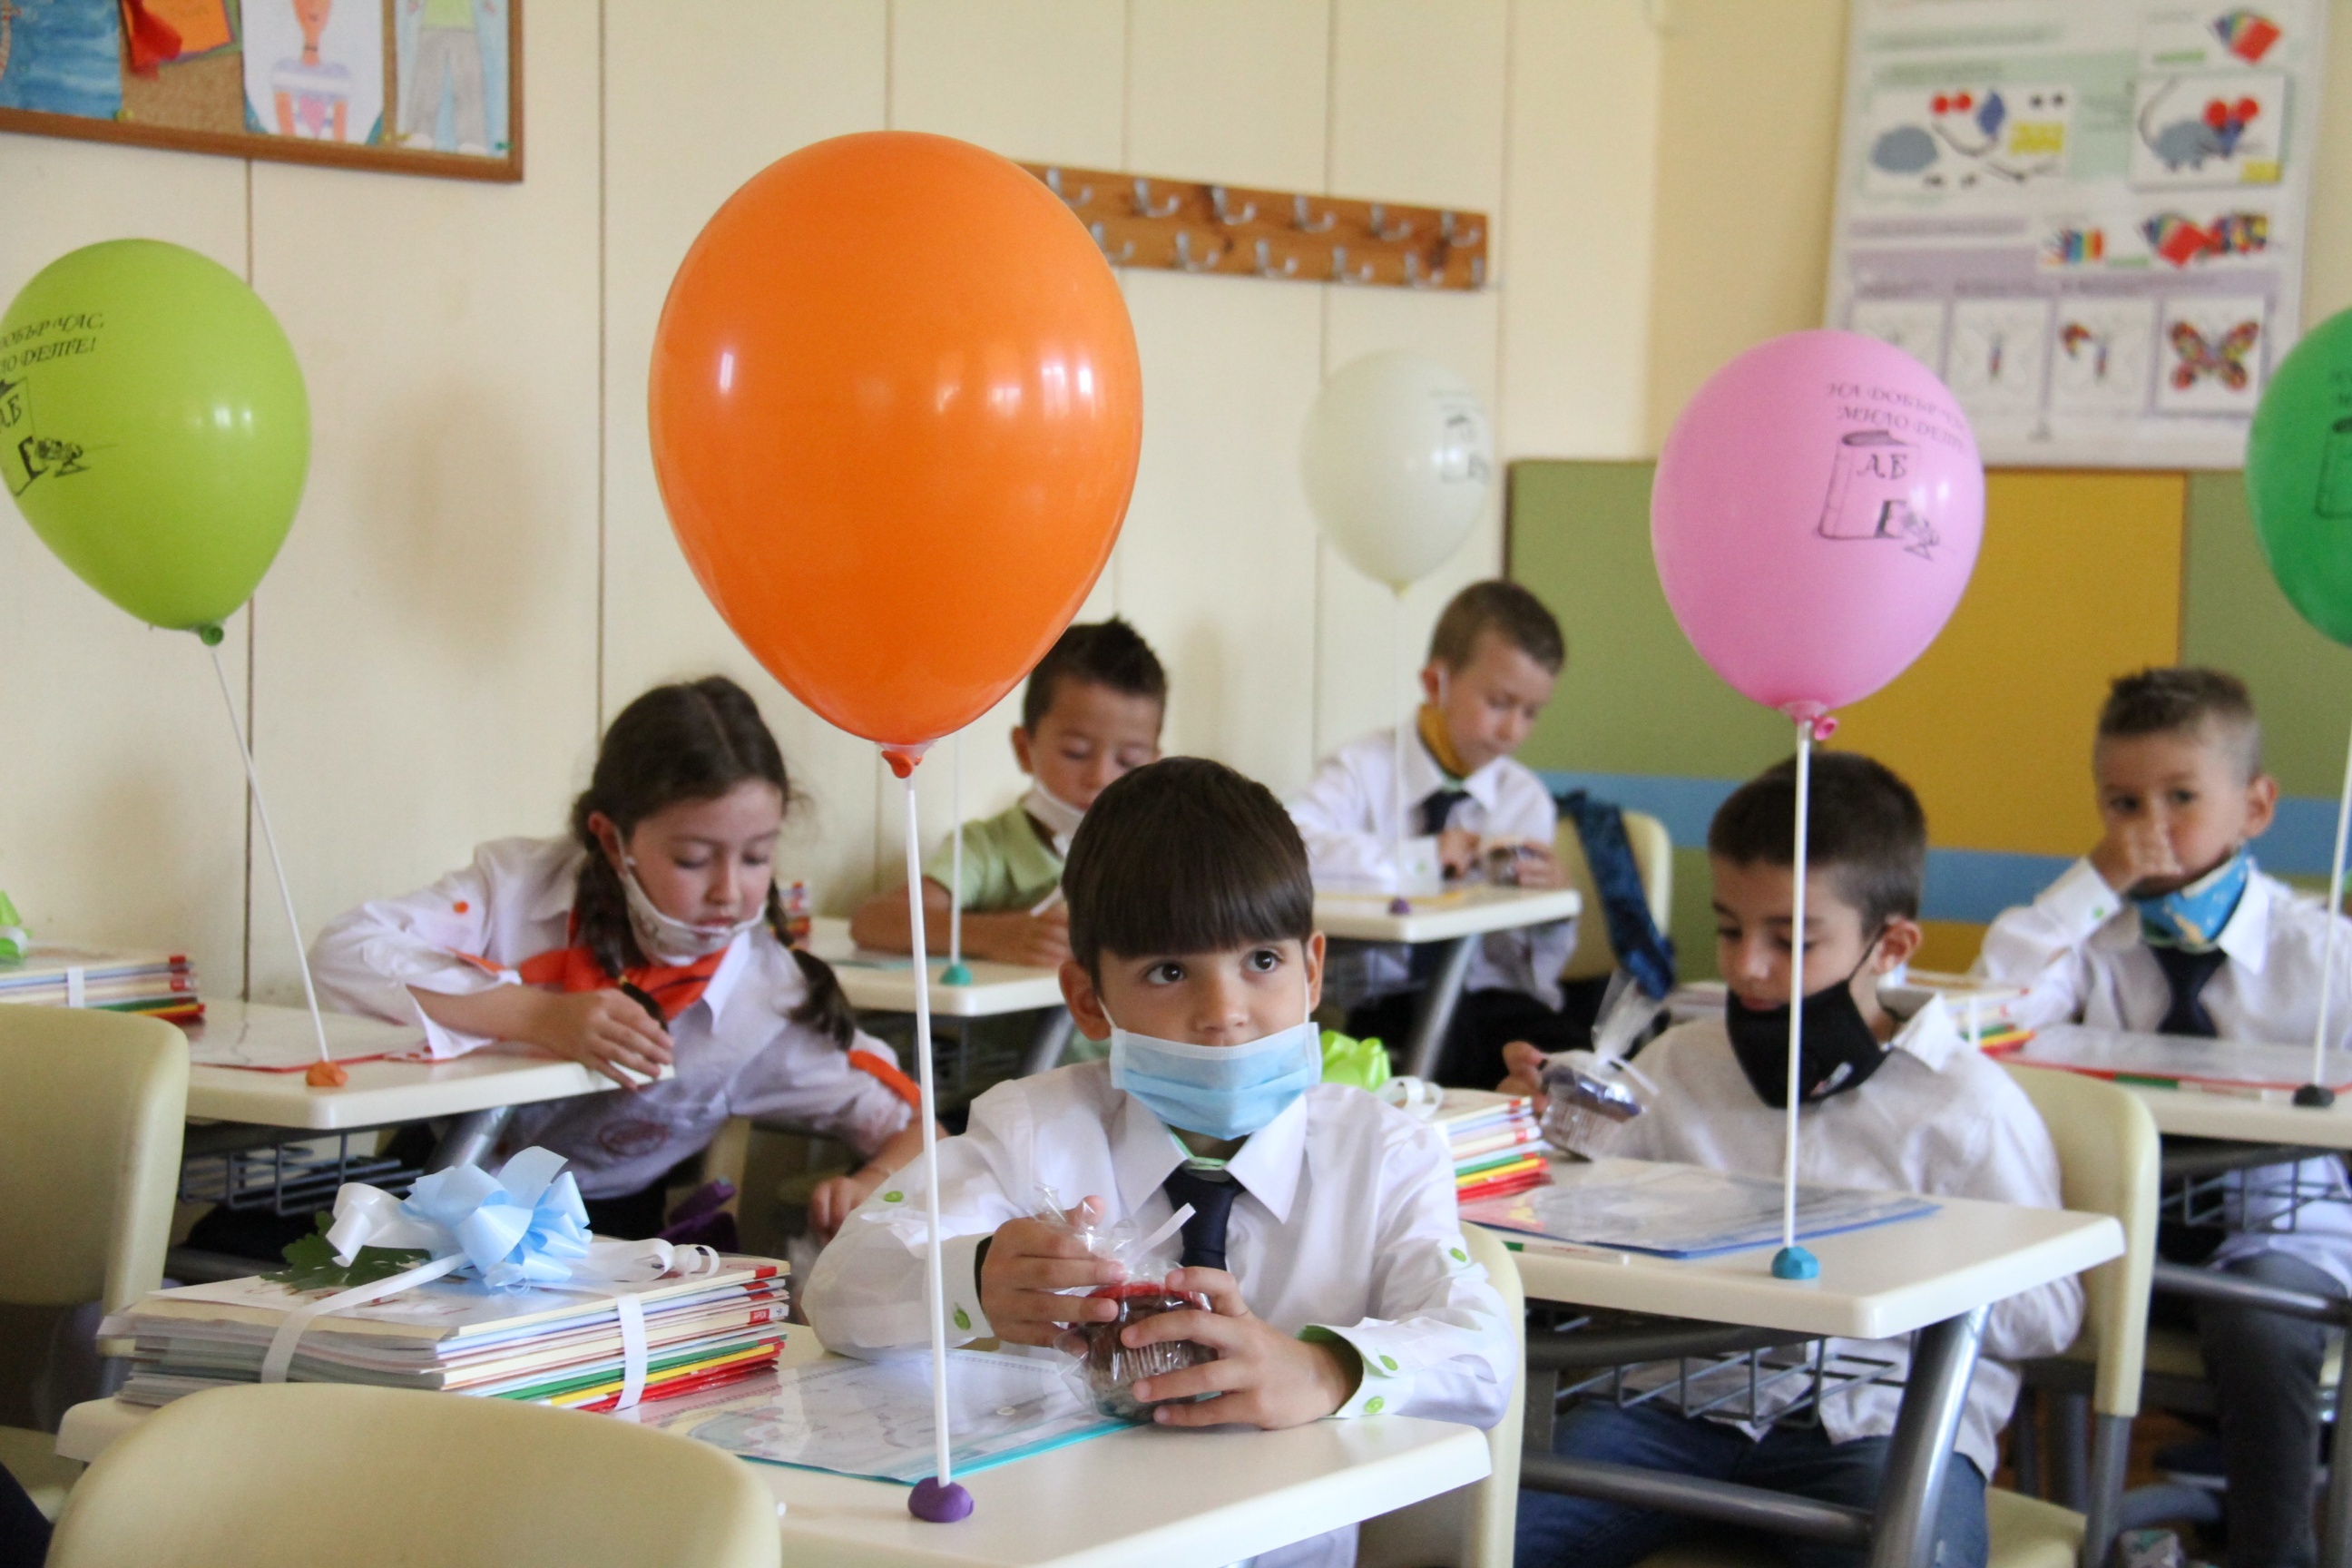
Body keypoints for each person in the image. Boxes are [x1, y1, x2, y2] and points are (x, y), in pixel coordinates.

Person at [807, 758, 1514, 1568]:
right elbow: (840, 1289)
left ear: (1313, 969)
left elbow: (1483, 1351)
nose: (1224, 1013)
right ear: (1086, 1000)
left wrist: (1325, 1370)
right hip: (1068, 1547)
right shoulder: (1036, 1134)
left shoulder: (1384, 1156)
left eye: (1263, 961)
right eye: (1169, 973)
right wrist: (973, 1280)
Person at [1504, 752, 2080, 1568]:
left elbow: (2052, 1313)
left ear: (1890, 944)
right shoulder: (1679, 1065)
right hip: (1673, 1404)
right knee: (1488, 1537)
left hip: (1880, 1423)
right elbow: (1570, 1217)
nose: (1747, 966)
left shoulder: (1968, 1110)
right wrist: (1538, 1135)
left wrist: (1901, 1259)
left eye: (1792, 940)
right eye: (1730, 929)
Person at [312, 676, 929, 1241]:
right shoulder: (516, 890)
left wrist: (869, 1185)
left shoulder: (765, 1001)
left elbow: (921, 1131)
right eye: (692, 859)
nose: (729, 891)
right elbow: (343, 953)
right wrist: (534, 1015)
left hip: (598, 1241)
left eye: (755, 857)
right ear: (612, 840)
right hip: (423, 1181)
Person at [1978, 667, 2352, 1568]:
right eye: (2122, 804)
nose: (2149, 826)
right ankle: (2057, 1532)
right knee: (1989, 1290)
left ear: (2255, 807)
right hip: (2120, 1243)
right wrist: (2091, 884)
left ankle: (2275, 1555)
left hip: (2279, 1242)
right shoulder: (2093, 945)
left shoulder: (2320, 953)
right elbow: (1991, 1014)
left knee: (2259, 1324)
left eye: (2181, 797)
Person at [1291, 580, 1577, 1086]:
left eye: (1530, 713)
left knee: (1569, 1063)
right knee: (1436, 1055)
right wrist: (1419, 861)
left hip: (1490, 999)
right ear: (1435, 683)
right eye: (1499, 702)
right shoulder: (1362, 769)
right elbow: (1291, 845)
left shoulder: (1524, 799)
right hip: (1382, 1000)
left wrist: (1552, 907)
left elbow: (1532, 974)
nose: (1512, 731)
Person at [848, 617, 1165, 972]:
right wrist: (996, 936)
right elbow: (873, 922)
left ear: (1155, 766)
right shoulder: (986, 849)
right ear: (1024, 749)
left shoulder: (1157, 856)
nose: (1100, 778)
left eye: (1128, 760)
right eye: (1075, 752)